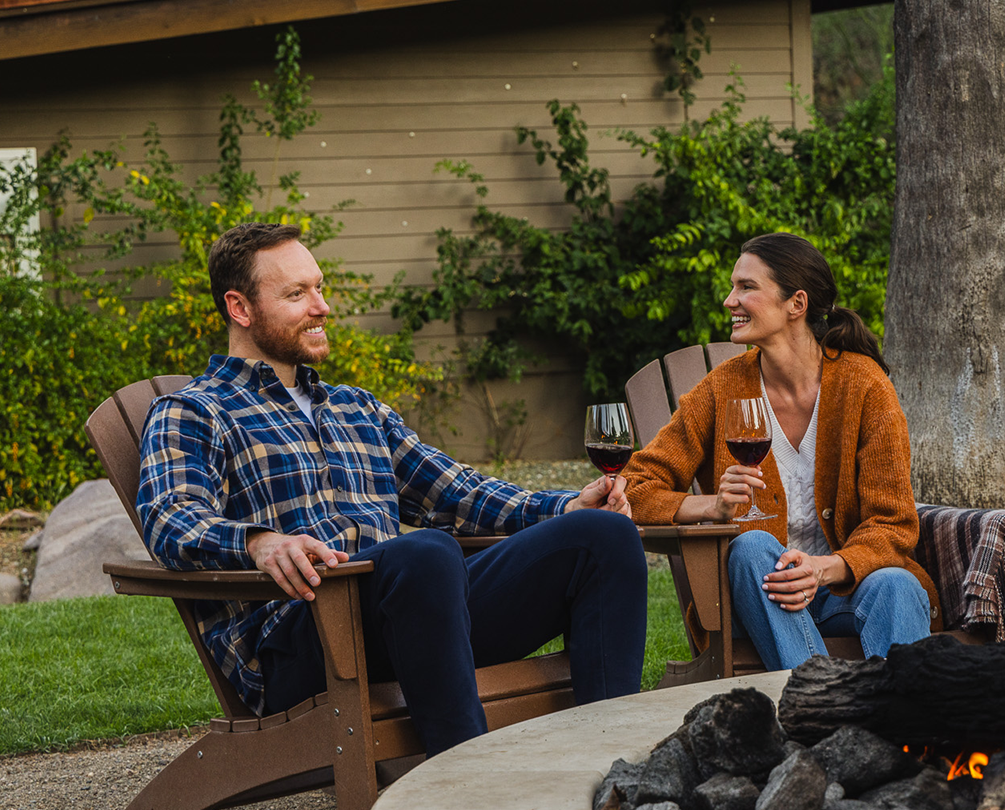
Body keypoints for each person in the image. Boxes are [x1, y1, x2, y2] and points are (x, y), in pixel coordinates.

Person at [136, 222, 646, 757]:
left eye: (319, 287)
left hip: (415, 616)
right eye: (297, 294)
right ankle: (465, 785)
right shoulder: (195, 411)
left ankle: (613, 765)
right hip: (299, 641)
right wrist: (259, 543)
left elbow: (456, 494)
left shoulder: (356, 408)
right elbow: (171, 516)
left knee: (602, 534)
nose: (322, 306)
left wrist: (566, 505)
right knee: (423, 553)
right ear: (240, 308)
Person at [626, 232, 937, 671]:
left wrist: (825, 568)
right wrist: (712, 506)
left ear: (797, 304)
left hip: (838, 591)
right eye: (734, 286)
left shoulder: (864, 387)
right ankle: (822, 708)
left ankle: (909, 731)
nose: (729, 300)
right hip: (755, 599)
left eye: (746, 287)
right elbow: (635, 488)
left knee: (897, 585)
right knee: (752, 546)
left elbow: (893, 523)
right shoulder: (722, 389)